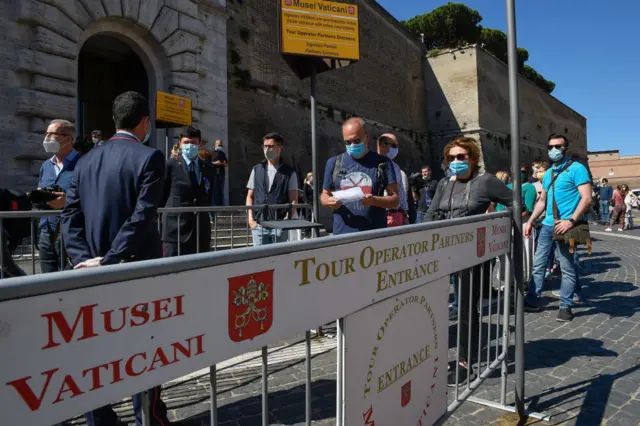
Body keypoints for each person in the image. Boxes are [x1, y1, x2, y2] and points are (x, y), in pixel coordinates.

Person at [61, 90, 173, 426]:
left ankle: (101, 419)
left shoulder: (84, 161)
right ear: (144, 122)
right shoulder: (149, 157)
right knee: (144, 347)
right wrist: (111, 260)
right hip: (135, 269)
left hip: (91, 272)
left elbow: (70, 216)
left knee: (96, 349)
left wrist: (84, 260)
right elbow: (142, 216)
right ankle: (148, 418)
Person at [423, 136, 512, 386]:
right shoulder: (443, 183)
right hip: (441, 251)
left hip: (472, 254)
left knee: (465, 308)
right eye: (451, 158)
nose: (455, 161)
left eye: (461, 157)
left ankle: (465, 361)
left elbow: (516, 204)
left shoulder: (486, 182)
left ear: (473, 158)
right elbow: (432, 212)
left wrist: (495, 225)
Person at [524, 134, 592, 322]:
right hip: (547, 226)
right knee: (538, 264)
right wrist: (530, 221)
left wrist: (571, 220)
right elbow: (542, 201)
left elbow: (587, 198)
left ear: (565, 148)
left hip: (565, 226)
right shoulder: (548, 174)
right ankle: (533, 298)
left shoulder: (577, 169)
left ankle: (565, 306)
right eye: (551, 146)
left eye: (558, 146)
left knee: (567, 267)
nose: (554, 149)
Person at [321, 118, 399, 235]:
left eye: (356, 141)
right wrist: (328, 201)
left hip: (374, 235)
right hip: (342, 236)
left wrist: (374, 200)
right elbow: (324, 195)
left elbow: (395, 200)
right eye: (348, 142)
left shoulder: (383, 163)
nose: (352, 145)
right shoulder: (333, 163)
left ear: (366, 137)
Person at [161, 126, 215, 256]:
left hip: (200, 232)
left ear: (199, 144)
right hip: (176, 232)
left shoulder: (208, 168)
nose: (190, 146)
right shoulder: (170, 166)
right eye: (186, 142)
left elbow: (208, 195)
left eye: (193, 143)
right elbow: (161, 196)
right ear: (180, 144)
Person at [37, 119, 80, 273]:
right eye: (46, 134)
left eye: (52, 134)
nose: (47, 138)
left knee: (69, 283)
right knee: (47, 284)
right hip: (46, 231)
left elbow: (93, 198)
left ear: (68, 139)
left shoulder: (83, 164)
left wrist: (67, 200)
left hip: (71, 232)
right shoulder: (46, 166)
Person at [246, 132, 298, 246]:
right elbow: (250, 196)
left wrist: (285, 220)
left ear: (279, 148)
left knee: (278, 259)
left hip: (279, 225)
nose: (267, 149)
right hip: (259, 225)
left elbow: (294, 200)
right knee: (259, 260)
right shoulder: (256, 169)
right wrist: (251, 220)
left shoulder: (289, 172)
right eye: (265, 146)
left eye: (270, 146)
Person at [377, 133, 408, 226]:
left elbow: (401, 191)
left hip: (396, 215)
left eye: (397, 146)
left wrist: (405, 215)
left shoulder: (395, 166)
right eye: (394, 145)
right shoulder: (371, 164)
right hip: (380, 214)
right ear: (383, 145)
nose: (396, 149)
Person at [211, 139, 228, 206]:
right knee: (214, 189)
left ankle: (222, 204)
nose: (220, 146)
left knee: (221, 189)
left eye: (221, 145)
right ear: (216, 145)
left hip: (221, 174)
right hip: (214, 174)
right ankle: (215, 204)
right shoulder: (212, 153)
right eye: (219, 145)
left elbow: (226, 164)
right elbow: (209, 163)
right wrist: (215, 163)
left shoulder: (223, 154)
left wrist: (223, 163)